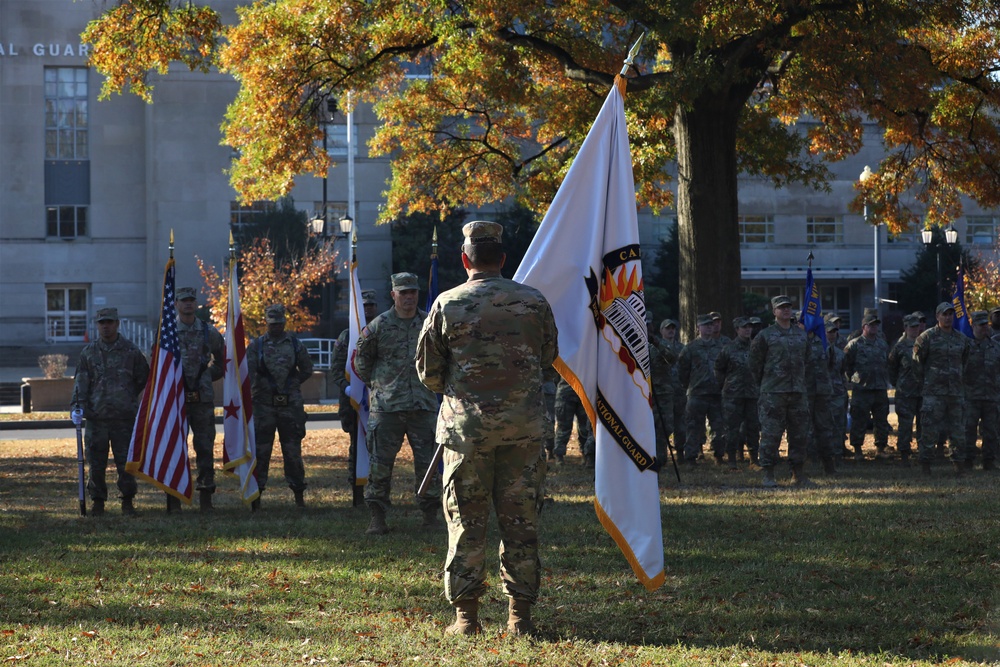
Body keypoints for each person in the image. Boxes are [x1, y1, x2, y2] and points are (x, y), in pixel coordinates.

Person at [415, 220, 557, 636]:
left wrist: (466, 393)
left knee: (466, 525)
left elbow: (429, 372)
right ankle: (520, 618)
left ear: (465, 259)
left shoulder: (447, 304)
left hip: (467, 434)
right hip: (524, 433)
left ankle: (466, 619)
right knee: (521, 523)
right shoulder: (533, 302)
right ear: (503, 259)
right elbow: (548, 357)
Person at [355, 272, 441, 534]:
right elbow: (361, 362)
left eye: (413, 292)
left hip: (423, 407)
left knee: (428, 465)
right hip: (387, 409)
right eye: (403, 293)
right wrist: (381, 386)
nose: (409, 297)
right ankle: (377, 518)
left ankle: (430, 516)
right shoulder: (378, 326)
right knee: (380, 465)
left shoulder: (431, 323)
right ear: (393, 294)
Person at [70, 307, 150, 516]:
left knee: (126, 463)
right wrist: (77, 407)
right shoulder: (89, 353)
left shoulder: (131, 351)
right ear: (98, 325)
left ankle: (127, 500)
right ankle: (98, 502)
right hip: (97, 418)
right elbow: (81, 384)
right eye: (102, 323)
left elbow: (144, 379)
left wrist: (127, 397)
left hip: (124, 418)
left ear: (117, 323)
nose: (106, 326)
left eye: (110, 322)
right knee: (96, 463)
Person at [246, 304, 314, 509]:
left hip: (290, 407)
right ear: (266, 323)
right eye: (272, 324)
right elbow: (247, 374)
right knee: (261, 453)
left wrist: (291, 386)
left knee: (292, 452)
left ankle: (298, 495)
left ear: (284, 322)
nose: (275, 327)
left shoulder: (295, 344)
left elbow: (307, 370)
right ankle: (256, 498)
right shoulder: (256, 346)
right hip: (264, 406)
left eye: (279, 323)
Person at [748, 295, 812, 488]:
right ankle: (768, 473)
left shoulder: (801, 335)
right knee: (771, 434)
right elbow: (754, 363)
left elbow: (806, 361)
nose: (786, 310)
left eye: (788, 307)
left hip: (797, 393)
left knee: (799, 434)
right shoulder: (765, 335)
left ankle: (797, 473)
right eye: (781, 308)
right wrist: (766, 384)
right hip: (773, 393)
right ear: (774, 311)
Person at [173, 287, 225, 513]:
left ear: (196, 304)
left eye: (191, 300)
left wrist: (206, 377)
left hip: (202, 401)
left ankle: (206, 496)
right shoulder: (168, 332)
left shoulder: (208, 332)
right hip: (175, 402)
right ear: (176, 304)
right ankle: (173, 496)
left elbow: (223, 362)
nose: (188, 304)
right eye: (184, 301)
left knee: (204, 448)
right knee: (175, 448)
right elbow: (157, 367)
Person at [913, 302, 970, 475]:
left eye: (950, 314)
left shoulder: (961, 339)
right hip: (933, 393)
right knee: (929, 430)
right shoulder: (926, 337)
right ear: (937, 316)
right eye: (944, 314)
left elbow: (965, 362)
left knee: (958, 431)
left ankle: (959, 466)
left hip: (955, 393)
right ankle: (926, 466)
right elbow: (917, 363)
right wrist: (927, 383)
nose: (948, 317)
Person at [333, 288, 379, 506]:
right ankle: (357, 494)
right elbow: (336, 369)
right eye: (364, 305)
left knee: (380, 447)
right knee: (357, 445)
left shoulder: (384, 329)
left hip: (381, 398)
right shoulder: (347, 335)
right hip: (355, 402)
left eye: (371, 305)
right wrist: (348, 388)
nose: (368, 308)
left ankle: (379, 493)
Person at [677, 314, 725, 463]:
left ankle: (718, 455)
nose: (709, 327)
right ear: (698, 328)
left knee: (718, 427)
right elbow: (682, 370)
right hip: (697, 393)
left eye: (711, 325)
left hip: (716, 393)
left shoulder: (721, 347)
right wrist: (689, 385)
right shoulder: (690, 348)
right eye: (706, 325)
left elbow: (725, 368)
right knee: (693, 427)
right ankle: (691, 457)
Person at [843, 312, 891, 461]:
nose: (874, 327)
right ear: (864, 327)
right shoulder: (854, 344)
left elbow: (886, 363)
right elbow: (846, 365)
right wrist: (854, 379)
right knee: (859, 420)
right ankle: (858, 450)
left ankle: (880, 449)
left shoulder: (882, 344)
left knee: (881, 420)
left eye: (876, 325)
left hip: (880, 388)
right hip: (862, 389)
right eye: (871, 325)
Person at [714, 316, 759, 467]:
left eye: (749, 327)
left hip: (752, 394)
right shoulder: (728, 348)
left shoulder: (756, 347)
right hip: (733, 394)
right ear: (737, 329)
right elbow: (719, 369)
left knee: (753, 427)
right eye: (744, 327)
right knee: (732, 428)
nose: (747, 329)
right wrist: (725, 385)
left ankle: (754, 458)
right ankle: (732, 458)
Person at [798, 312, 838, 473]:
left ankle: (828, 463)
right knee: (802, 428)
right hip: (804, 391)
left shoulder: (824, 343)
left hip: (822, 391)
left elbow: (831, 365)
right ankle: (805, 461)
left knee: (825, 427)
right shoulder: (797, 342)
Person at [964, 311, 999, 470]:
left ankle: (989, 461)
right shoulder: (965, 347)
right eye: (981, 325)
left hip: (991, 396)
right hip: (971, 396)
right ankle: (968, 460)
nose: (984, 328)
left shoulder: (996, 347)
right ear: (973, 326)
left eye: (986, 324)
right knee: (969, 429)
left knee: (991, 431)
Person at [887, 313, 923, 464]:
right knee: (905, 425)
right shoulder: (899, 347)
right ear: (905, 328)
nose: (915, 330)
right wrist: (898, 383)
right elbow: (892, 367)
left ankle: (923, 453)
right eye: (912, 327)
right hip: (905, 392)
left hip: (922, 391)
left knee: (924, 424)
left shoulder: (924, 344)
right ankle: (904, 454)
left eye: (917, 327)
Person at [552, 376, 595, 466]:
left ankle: (586, 455)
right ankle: (559, 456)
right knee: (563, 427)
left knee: (585, 427)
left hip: (583, 391)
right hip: (566, 391)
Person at [660, 319, 687, 458]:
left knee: (680, 424)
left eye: (673, 328)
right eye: (667, 328)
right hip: (664, 393)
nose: (671, 331)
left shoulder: (682, 348)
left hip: (679, 391)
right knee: (665, 425)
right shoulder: (656, 348)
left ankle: (680, 453)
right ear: (662, 331)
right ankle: (662, 453)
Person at [824, 314, 849, 458]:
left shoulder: (840, 353)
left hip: (837, 391)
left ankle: (838, 452)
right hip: (822, 392)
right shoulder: (818, 352)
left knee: (839, 423)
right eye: (829, 332)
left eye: (834, 332)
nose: (832, 335)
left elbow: (843, 371)